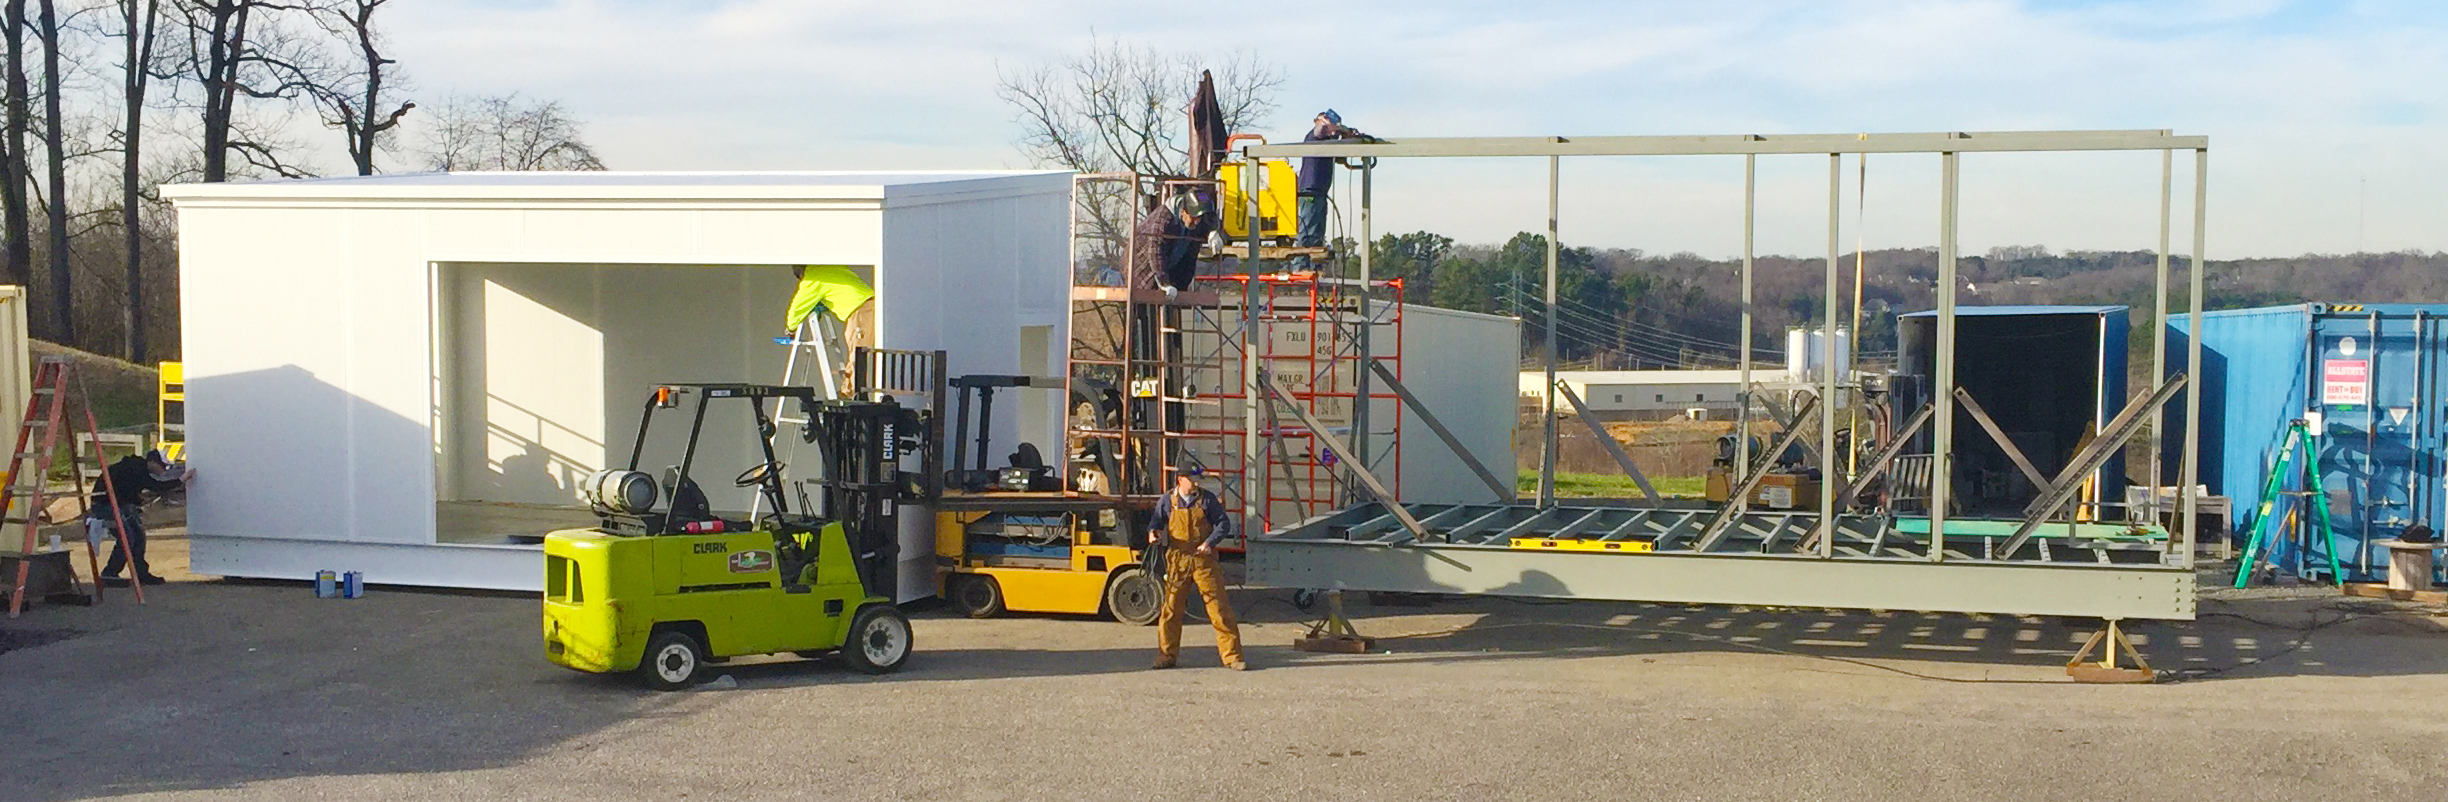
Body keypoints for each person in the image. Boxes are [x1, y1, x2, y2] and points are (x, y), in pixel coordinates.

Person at [1146, 467, 1245, 670]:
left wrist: (1209, 542)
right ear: (1180, 479)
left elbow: (1223, 524)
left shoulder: (1207, 500)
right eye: (1192, 480)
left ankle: (1232, 656)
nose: (1197, 483)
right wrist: (1153, 533)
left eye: (1198, 479)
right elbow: (1156, 522)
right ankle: (1166, 655)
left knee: (1219, 608)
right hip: (1178, 560)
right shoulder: (1167, 500)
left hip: (1204, 560)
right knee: (1171, 609)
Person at [90, 451, 191, 587]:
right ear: (152, 462)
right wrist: (181, 479)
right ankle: (109, 574)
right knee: (127, 538)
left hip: (115, 503)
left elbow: (126, 489)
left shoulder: (135, 468)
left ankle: (140, 573)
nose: (164, 470)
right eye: (162, 466)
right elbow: (156, 486)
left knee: (138, 536)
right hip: (105, 505)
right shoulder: (138, 470)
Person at [1295, 109, 1354, 251]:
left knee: (1317, 233)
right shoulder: (1314, 137)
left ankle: (1313, 261)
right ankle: (1301, 262)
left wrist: (1344, 137)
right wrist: (1335, 128)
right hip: (1310, 190)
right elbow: (1320, 130)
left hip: (1319, 191)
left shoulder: (1327, 143)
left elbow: (1340, 158)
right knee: (1308, 231)